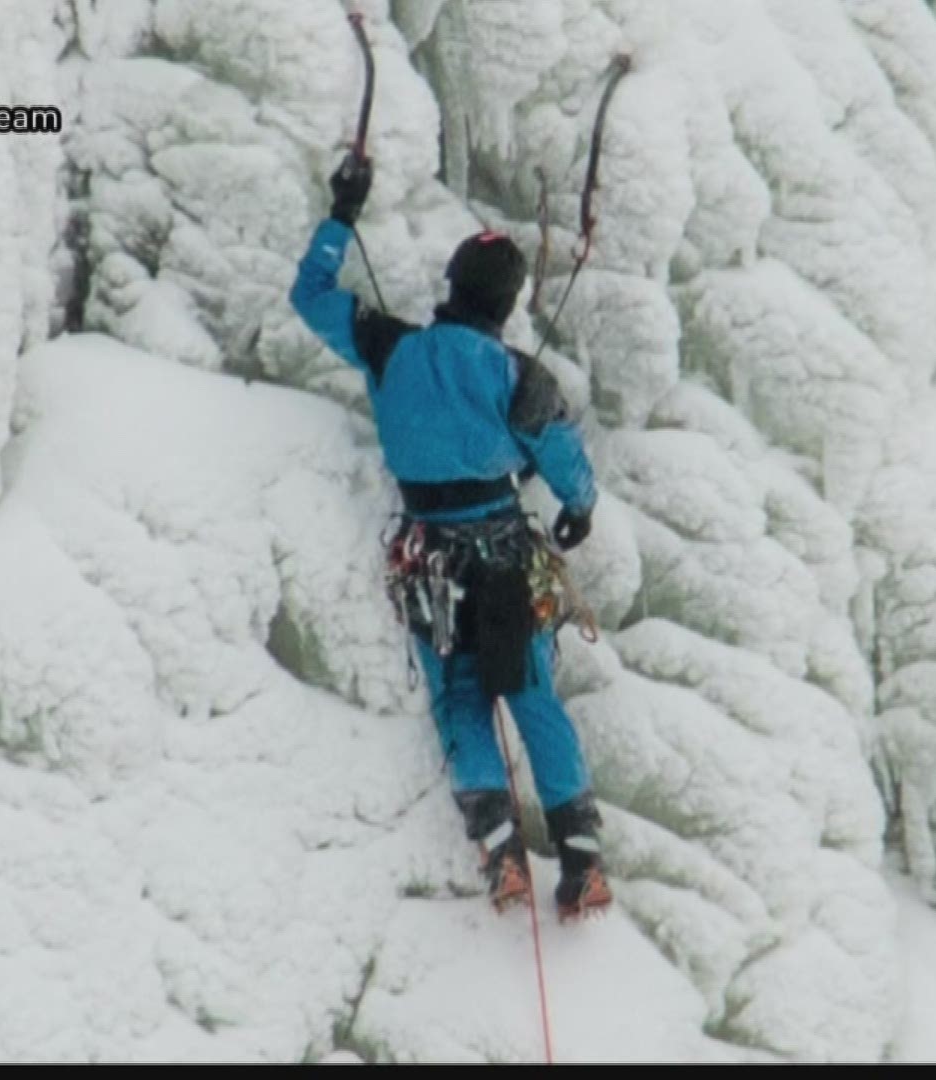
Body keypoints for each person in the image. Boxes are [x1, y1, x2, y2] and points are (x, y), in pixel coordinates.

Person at [288, 153, 611, 921]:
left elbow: (310, 297)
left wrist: (343, 213)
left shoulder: (389, 348)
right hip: (504, 549)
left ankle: (499, 849)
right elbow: (566, 462)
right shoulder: (516, 376)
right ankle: (582, 860)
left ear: (450, 287)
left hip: (429, 557)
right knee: (532, 694)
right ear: (506, 307)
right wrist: (581, 507)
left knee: (461, 693)